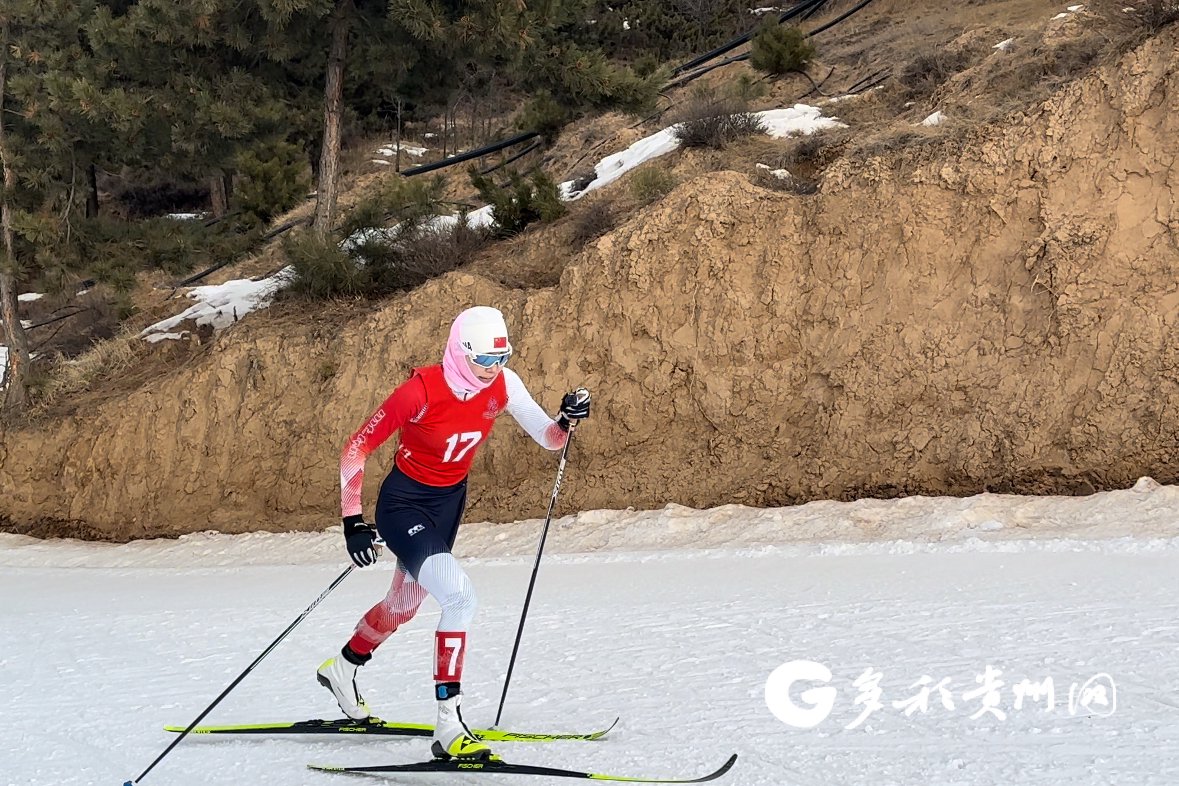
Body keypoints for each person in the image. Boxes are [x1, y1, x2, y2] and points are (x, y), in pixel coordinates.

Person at [316, 305, 591, 762]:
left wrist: (565, 420)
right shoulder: (419, 390)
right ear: (462, 353)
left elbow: (548, 438)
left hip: (448, 506)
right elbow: (355, 448)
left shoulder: (504, 383)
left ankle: (343, 668)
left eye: (500, 359)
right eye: (484, 361)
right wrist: (352, 521)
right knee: (460, 597)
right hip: (403, 504)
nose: (493, 370)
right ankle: (449, 726)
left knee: (402, 607)